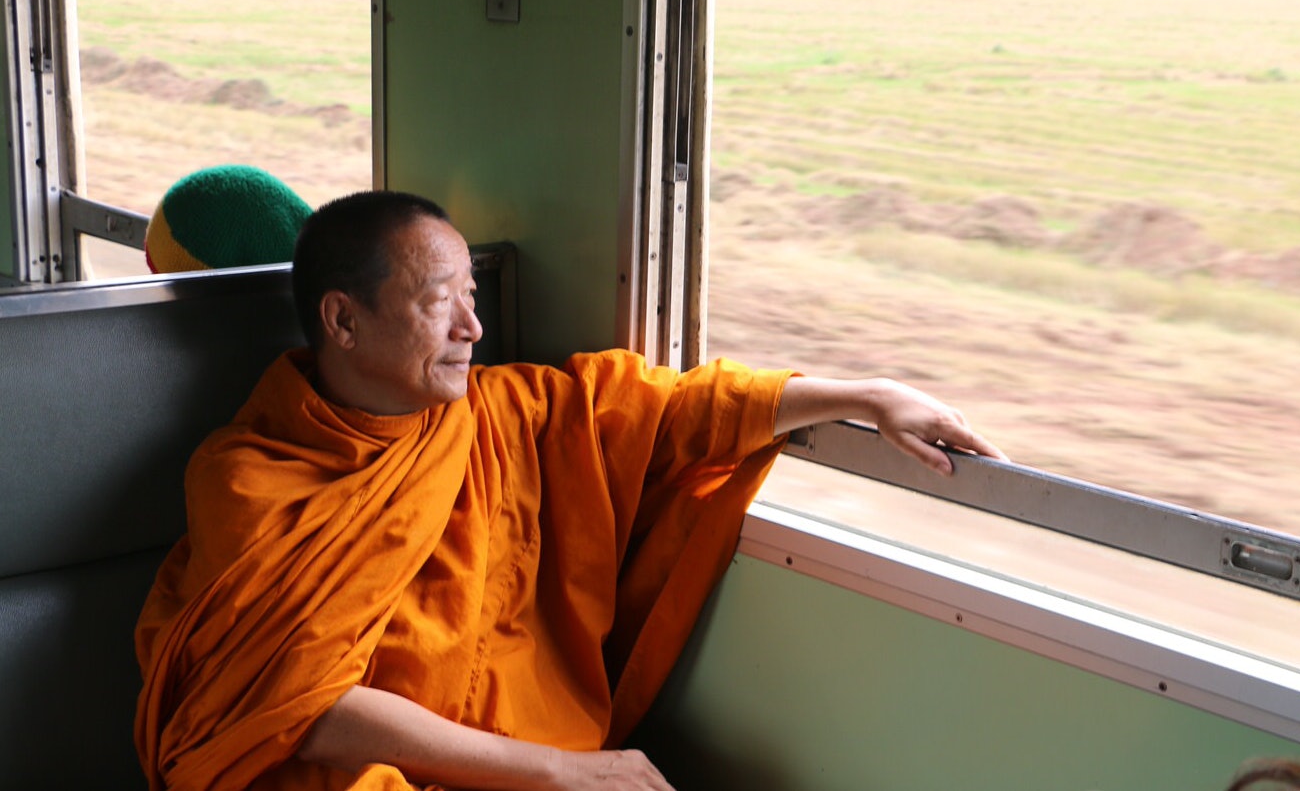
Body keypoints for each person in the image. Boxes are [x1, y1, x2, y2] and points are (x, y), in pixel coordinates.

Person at [134, 190, 1004, 791]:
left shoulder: (509, 415)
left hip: (534, 754)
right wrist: (565, 772)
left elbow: (670, 414)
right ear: (342, 320)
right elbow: (296, 706)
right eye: (443, 304)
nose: (474, 328)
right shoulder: (248, 476)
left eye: (472, 296)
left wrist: (865, 396)